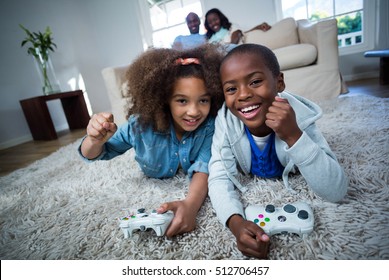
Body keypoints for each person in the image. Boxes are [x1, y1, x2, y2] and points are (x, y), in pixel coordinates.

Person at [208, 44, 348, 259]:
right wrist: (235, 222)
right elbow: (218, 177)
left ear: (279, 82)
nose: (243, 95)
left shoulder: (298, 118)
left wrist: (294, 135)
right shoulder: (226, 121)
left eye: (255, 82)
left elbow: (336, 190)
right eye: (231, 89)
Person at [79, 44, 224, 237]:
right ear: (164, 100)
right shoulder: (140, 126)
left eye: (203, 100)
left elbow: (204, 168)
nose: (194, 111)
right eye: (182, 101)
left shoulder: (210, 126)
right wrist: (94, 140)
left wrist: (190, 205)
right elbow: (98, 153)